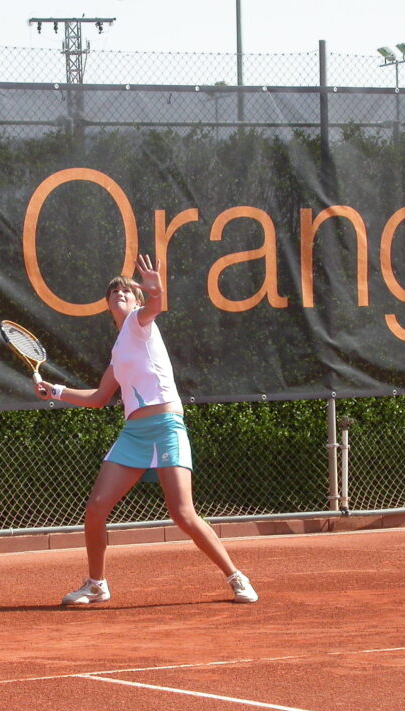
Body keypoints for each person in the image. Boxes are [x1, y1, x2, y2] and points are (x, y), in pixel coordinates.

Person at [34, 254, 258, 606]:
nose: (119, 294)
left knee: (182, 514)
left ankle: (235, 576)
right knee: (96, 508)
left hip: (167, 427)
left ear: (136, 301)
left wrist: (155, 292)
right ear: (107, 305)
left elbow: (155, 305)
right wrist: (56, 391)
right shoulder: (119, 349)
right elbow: (98, 397)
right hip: (134, 435)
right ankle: (96, 583)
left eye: (126, 291)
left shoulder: (140, 323)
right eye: (114, 293)